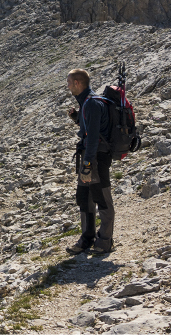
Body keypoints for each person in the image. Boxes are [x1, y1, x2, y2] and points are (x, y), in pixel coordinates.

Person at [65, 69, 115, 254]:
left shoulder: (92, 103)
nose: (68, 86)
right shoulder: (86, 102)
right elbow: (90, 127)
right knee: (84, 197)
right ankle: (87, 238)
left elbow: (93, 137)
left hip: (97, 157)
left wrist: (87, 165)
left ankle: (105, 241)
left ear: (77, 83)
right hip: (89, 155)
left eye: (69, 83)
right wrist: (77, 118)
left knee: (101, 197)